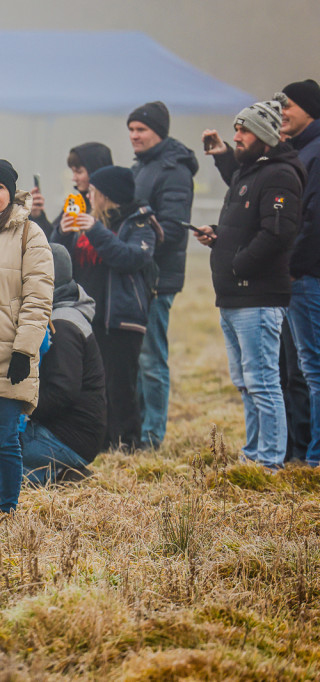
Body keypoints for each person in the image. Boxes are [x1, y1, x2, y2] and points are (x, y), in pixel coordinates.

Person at [199, 100, 306, 470]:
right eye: (237, 129)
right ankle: (255, 452)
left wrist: (236, 263)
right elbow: (245, 228)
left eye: (244, 130)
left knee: (262, 381)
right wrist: (220, 239)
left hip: (257, 296)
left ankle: (271, 461)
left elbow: (278, 233)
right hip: (234, 295)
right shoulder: (250, 172)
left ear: (264, 135)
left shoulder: (279, 175)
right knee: (245, 382)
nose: (236, 136)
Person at [0, 159, 53, 514]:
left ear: (11, 193)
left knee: (5, 439)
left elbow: (38, 297)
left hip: (7, 355)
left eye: (0, 186)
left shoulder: (30, 235)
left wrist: (24, 350)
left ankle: (8, 509)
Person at [51, 165, 160, 450]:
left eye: (94, 192)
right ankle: (99, 441)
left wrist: (96, 230)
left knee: (121, 384)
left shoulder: (139, 223)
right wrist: (61, 235)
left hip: (120, 318)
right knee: (92, 386)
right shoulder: (86, 221)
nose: (89, 195)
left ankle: (126, 442)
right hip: (87, 316)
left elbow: (128, 258)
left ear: (107, 195)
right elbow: (60, 261)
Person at [126, 102, 199, 450]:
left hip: (157, 278)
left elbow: (172, 228)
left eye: (141, 129)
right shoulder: (142, 166)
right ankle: (137, 428)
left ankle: (152, 437)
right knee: (138, 357)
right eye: (131, 130)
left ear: (159, 131)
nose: (134, 136)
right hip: (138, 276)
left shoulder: (174, 170)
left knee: (152, 359)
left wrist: (134, 245)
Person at [19, 245, 107, 484]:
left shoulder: (62, 326)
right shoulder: (64, 312)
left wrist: (20, 409)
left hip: (67, 437)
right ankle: (57, 474)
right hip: (74, 433)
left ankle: (59, 475)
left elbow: (62, 391)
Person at [279, 79, 320, 466]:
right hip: (299, 275)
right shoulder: (301, 151)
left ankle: (315, 456)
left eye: (288, 105)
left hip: (306, 277)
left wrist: (291, 268)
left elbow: (312, 221)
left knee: (313, 370)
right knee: (298, 370)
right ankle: (302, 451)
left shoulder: (316, 154)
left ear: (309, 108)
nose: (282, 112)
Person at [30, 142, 113, 238]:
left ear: (94, 171)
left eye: (79, 172)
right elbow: (51, 241)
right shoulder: (75, 203)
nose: (74, 178)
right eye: (73, 172)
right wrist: (38, 216)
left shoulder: (114, 209)